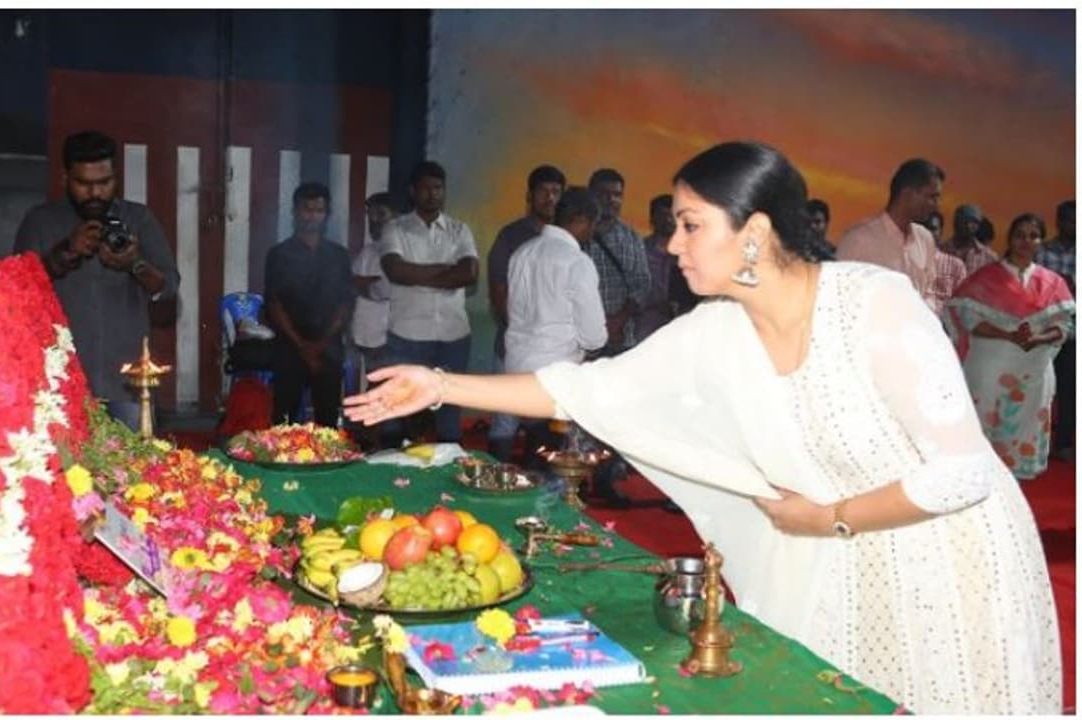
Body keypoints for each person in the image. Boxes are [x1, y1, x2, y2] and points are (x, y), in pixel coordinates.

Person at [346, 141, 1060, 714]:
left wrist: (825, 520)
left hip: (948, 554)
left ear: (754, 233)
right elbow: (582, 387)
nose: (670, 244)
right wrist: (439, 383)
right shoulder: (719, 330)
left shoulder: (875, 304)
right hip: (846, 552)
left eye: (691, 225)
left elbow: (962, 473)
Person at [13, 130, 179, 432]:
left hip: (127, 384)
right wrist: (65, 251)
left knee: (134, 461)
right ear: (66, 178)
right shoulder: (40, 221)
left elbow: (168, 289)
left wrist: (135, 264)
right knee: (66, 462)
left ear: (116, 177)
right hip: (61, 382)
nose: (96, 193)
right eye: (84, 184)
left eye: (105, 183)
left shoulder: (139, 219)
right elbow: (17, 288)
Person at [942, 213, 1075, 480]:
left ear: (1041, 241)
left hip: (1034, 367)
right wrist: (1008, 335)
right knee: (985, 420)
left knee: (1026, 424)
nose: (1026, 241)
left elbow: (1063, 326)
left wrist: (1038, 338)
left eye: (1033, 236)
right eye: (1020, 235)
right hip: (991, 364)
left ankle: (1016, 483)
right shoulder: (985, 278)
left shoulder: (1053, 282)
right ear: (1010, 239)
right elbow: (968, 319)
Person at [379, 160, 479, 444]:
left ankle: (448, 465)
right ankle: (391, 463)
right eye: (426, 188)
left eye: (438, 188)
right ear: (413, 191)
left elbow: (469, 273)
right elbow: (395, 271)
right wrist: (446, 273)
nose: (433, 194)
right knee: (396, 409)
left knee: (450, 411)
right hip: (407, 335)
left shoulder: (459, 230)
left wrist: (416, 275)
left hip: (453, 336)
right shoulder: (395, 229)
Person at [505, 186, 607, 462]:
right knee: (558, 466)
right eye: (593, 225)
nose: (592, 233)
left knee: (535, 452)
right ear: (582, 220)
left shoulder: (522, 252)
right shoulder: (577, 262)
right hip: (556, 378)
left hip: (517, 371)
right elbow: (594, 337)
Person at [486, 165, 566, 461]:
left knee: (545, 419)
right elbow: (499, 293)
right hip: (514, 344)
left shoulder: (566, 239)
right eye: (544, 191)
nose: (550, 198)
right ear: (529, 196)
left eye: (556, 192)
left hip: (552, 349)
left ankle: (535, 481)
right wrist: (523, 336)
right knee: (505, 419)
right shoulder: (511, 236)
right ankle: (496, 480)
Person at [263, 182, 353, 427]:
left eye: (318, 210)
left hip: (328, 347)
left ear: (327, 214)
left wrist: (321, 344)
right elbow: (274, 304)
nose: (312, 216)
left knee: (327, 420)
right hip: (289, 347)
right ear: (295, 212)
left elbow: (345, 304)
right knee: (284, 421)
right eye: (307, 209)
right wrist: (302, 345)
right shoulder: (279, 254)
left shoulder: (338, 255)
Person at [836, 158, 943, 302]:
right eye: (932, 197)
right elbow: (840, 297)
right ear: (907, 194)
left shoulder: (925, 239)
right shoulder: (858, 240)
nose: (936, 205)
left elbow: (931, 293)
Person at [587, 168, 652, 356]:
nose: (611, 200)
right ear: (591, 195)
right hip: (580, 341)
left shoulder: (632, 238)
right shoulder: (576, 234)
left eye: (617, 195)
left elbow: (642, 284)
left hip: (620, 339)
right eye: (603, 194)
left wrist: (617, 321)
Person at [1037, 200, 1076, 460]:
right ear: (1059, 222)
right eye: (1070, 221)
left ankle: (1063, 443)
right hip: (1044, 330)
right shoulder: (1042, 252)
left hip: (1074, 332)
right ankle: (1037, 440)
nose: (1075, 226)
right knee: (1041, 387)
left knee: (1070, 389)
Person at [636, 194, 700, 341]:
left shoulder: (690, 252)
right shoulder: (639, 250)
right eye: (661, 215)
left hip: (682, 328)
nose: (667, 220)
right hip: (644, 329)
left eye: (671, 215)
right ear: (652, 219)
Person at [350, 192, 398, 382]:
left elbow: (383, 290)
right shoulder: (368, 251)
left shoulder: (403, 252)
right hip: (363, 337)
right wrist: (364, 283)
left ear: (397, 217)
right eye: (370, 215)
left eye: (381, 214)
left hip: (388, 339)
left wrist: (363, 284)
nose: (374, 220)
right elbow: (350, 284)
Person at [940, 203, 998, 274]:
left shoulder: (988, 257)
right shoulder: (941, 251)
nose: (968, 226)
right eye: (964, 221)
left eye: (974, 222)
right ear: (956, 223)